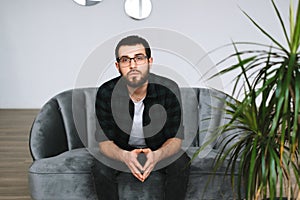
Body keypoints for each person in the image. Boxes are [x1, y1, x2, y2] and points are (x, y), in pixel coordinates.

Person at [93, 35, 190, 200]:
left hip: (159, 148)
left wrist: (158, 155)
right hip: (121, 149)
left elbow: (176, 138)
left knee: (181, 164)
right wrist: (124, 156)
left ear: (149, 61)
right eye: (125, 60)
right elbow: (104, 142)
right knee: (100, 168)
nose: (133, 65)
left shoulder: (168, 89)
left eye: (139, 58)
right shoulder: (106, 92)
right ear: (118, 66)